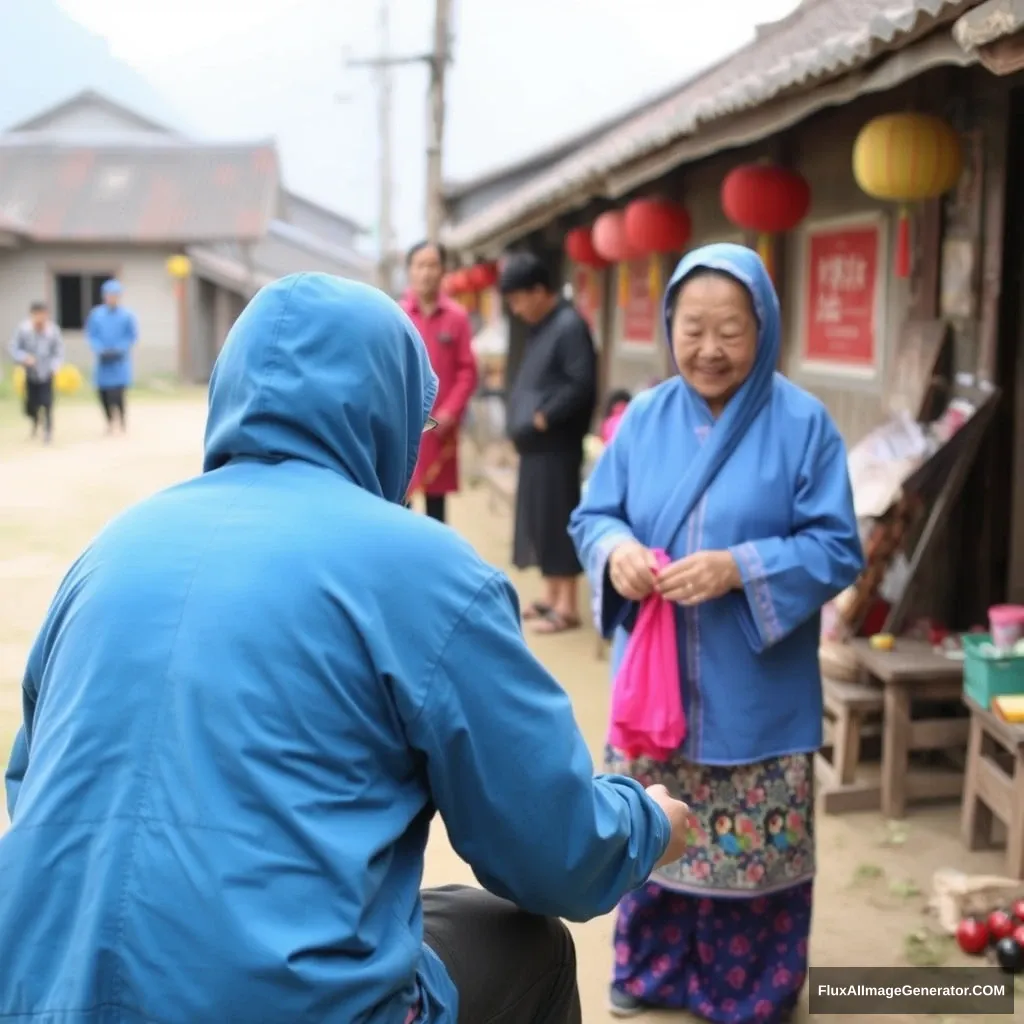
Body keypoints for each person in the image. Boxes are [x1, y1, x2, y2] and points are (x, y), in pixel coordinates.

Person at [0, 272, 694, 1024]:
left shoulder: (109, 551)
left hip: (42, 989)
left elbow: (30, 782)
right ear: (389, 412)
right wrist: (649, 821)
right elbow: (551, 854)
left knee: (453, 917)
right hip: (278, 1004)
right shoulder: (427, 572)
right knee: (528, 944)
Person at [569, 243, 863, 1023]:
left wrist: (742, 567)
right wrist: (617, 552)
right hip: (653, 690)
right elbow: (592, 516)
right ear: (668, 324)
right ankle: (652, 974)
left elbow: (838, 547)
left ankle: (750, 991)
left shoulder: (805, 425)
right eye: (691, 328)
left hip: (756, 692)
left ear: (763, 326)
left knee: (755, 854)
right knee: (651, 834)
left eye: (729, 329)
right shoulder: (642, 421)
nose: (708, 349)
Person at [502, 253, 597, 635]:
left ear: (539, 291)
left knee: (559, 519)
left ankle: (568, 605)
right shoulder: (543, 325)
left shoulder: (570, 325)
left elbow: (580, 383)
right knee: (541, 520)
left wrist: (543, 417)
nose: (516, 308)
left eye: (518, 299)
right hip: (536, 448)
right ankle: (551, 592)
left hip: (557, 443)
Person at [401, 241, 478, 524]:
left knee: (436, 508)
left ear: (443, 270)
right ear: (409, 270)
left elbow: (467, 371)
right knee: (400, 499)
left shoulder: (457, 318)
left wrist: (449, 412)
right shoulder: (398, 315)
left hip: (440, 429)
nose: (426, 272)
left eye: (433, 265)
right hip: (405, 425)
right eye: (420, 265)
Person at [86, 278, 138, 434]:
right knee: (103, 395)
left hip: (119, 361)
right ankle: (109, 421)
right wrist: (100, 348)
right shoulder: (96, 315)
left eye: (115, 295)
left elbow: (131, 336)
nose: (112, 298)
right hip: (102, 362)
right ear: (104, 296)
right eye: (109, 295)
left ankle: (121, 421)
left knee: (118, 394)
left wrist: (120, 349)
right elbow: (91, 335)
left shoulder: (127, 315)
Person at [8, 300, 62, 444]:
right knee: (31, 405)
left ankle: (48, 432)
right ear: (32, 315)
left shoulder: (52, 331)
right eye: (37, 315)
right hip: (30, 373)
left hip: (47, 372)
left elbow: (58, 352)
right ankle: (35, 422)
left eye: (43, 315)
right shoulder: (23, 330)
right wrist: (24, 357)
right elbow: (14, 348)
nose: (41, 318)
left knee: (47, 402)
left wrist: (55, 366)